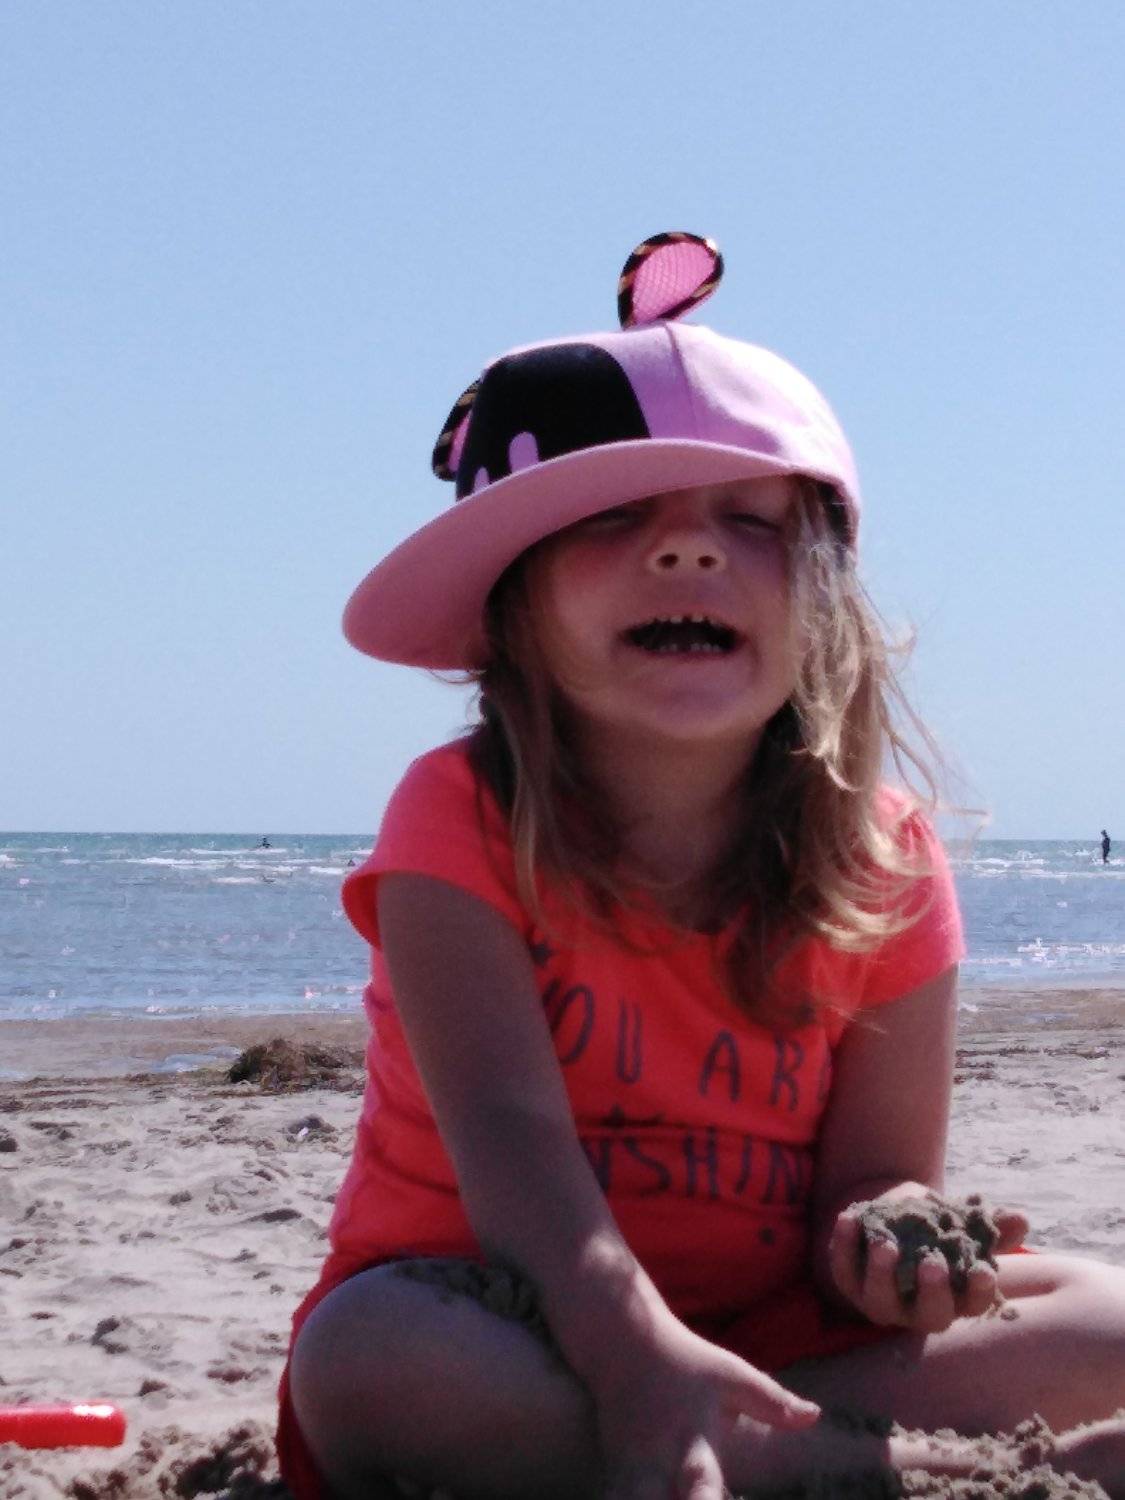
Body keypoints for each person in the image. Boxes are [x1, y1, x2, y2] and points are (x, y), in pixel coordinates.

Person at [280, 234, 1125, 1499]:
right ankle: (880, 1472)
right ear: (513, 602)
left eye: (750, 520)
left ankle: (745, 1446)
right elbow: (511, 1147)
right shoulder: (458, 813)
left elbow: (872, 1176)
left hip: (784, 1341)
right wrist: (634, 1357)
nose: (688, 551)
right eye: (614, 517)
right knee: (369, 1361)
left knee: (1107, 1317)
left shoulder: (884, 854)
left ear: (823, 604)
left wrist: (892, 1241)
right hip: (517, 1315)